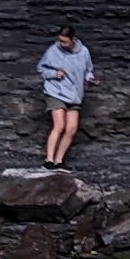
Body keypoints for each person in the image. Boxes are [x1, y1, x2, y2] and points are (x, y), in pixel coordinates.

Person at [36, 30, 91, 165]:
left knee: (71, 128)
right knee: (59, 125)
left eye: (65, 42)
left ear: (73, 39)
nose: (62, 44)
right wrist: (53, 73)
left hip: (74, 94)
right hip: (56, 91)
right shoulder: (53, 50)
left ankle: (59, 160)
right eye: (60, 41)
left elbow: (88, 70)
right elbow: (41, 69)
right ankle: (49, 160)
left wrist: (91, 78)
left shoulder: (84, 52)